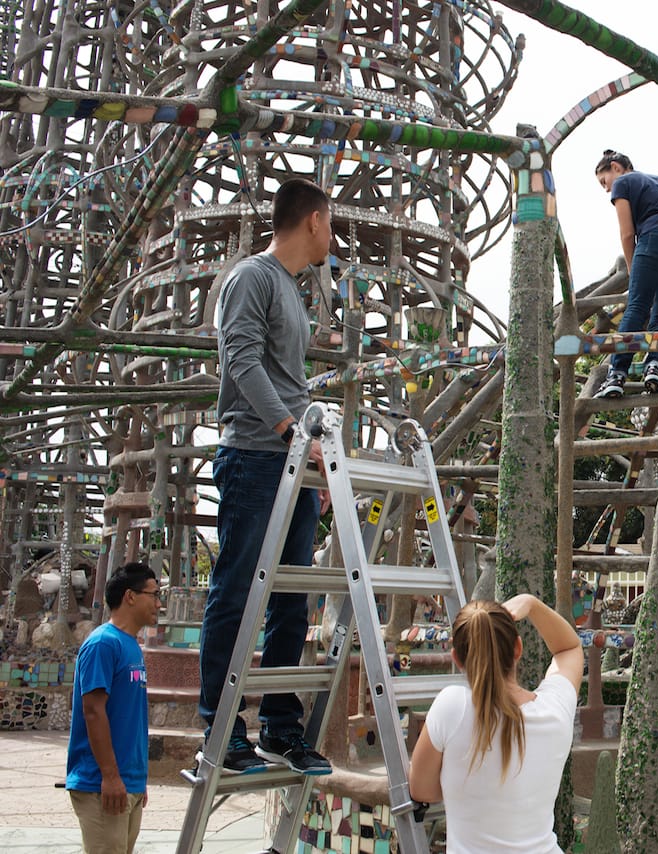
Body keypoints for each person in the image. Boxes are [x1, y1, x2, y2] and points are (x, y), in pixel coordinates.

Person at [197, 178, 332, 776]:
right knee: (234, 593)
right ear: (314, 221)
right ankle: (221, 731)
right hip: (254, 457)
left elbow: (289, 378)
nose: (334, 236)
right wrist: (287, 432)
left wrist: (311, 458)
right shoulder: (251, 277)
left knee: (291, 598)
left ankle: (281, 727)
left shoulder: (292, 290)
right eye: (331, 224)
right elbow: (241, 361)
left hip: (293, 460)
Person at [409, 594, 584, 852]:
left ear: (456, 658)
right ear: (518, 648)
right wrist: (531, 604)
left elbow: (421, 790)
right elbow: (569, 648)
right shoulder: (555, 710)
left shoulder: (451, 707)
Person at [66, 562, 160, 854]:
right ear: (130, 596)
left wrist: (136, 779)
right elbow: (93, 711)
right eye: (154, 595)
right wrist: (110, 776)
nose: (159, 603)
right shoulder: (103, 644)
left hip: (127, 782)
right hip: (101, 784)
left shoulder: (130, 645)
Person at [593, 149, 658, 398]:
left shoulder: (624, 183)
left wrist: (633, 269)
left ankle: (616, 375)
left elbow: (627, 233)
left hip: (654, 241)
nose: (607, 189)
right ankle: (655, 367)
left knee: (637, 307)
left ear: (616, 167)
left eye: (604, 181)